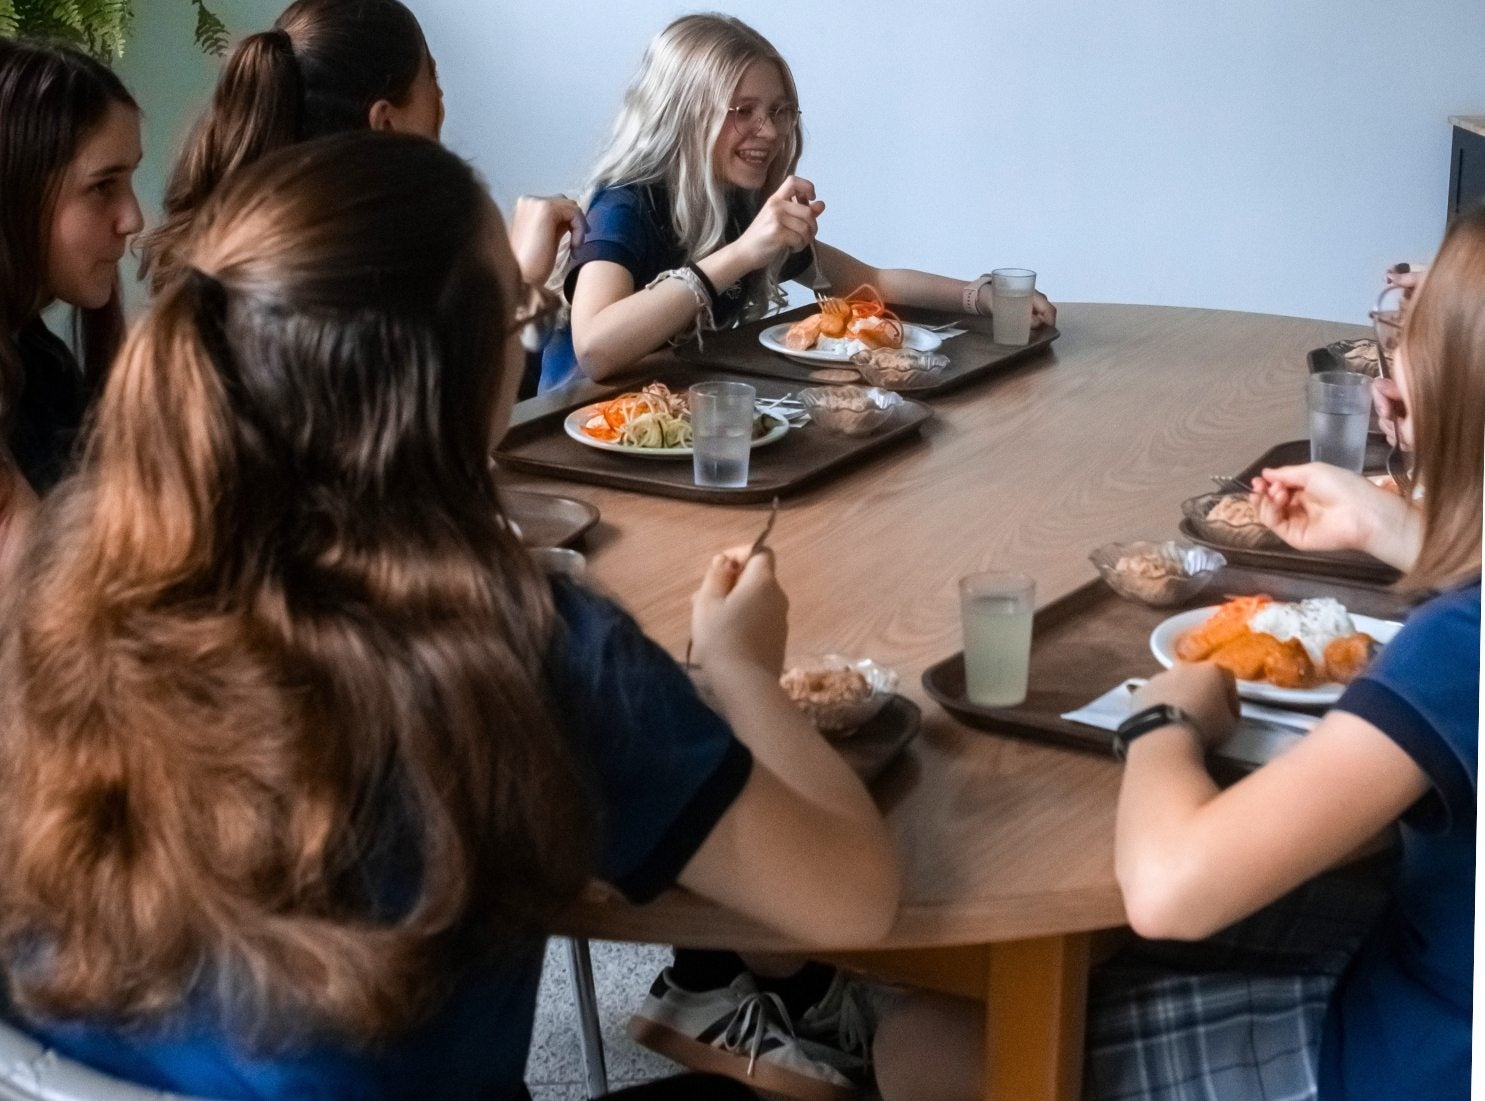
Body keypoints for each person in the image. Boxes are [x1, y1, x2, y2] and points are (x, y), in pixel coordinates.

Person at [0, 132, 899, 1101]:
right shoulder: (524, 646)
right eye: (518, 313)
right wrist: (743, 669)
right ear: (465, 373)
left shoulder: (66, 587)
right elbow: (851, 896)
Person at [873, 210, 1481, 1101]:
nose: (1385, 368)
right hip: (1440, 948)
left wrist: (1163, 717)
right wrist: (1391, 526)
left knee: (922, 1041)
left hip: (1412, 1054)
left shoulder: (1455, 651)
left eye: (1407, 341)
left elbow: (1169, 889)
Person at [540, 14, 1054, 391]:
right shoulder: (625, 204)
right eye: (744, 111)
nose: (769, 131)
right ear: (682, 115)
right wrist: (742, 254)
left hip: (683, 415)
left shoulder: (740, 205)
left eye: (780, 111)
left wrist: (981, 296)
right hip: (574, 426)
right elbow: (596, 350)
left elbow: (873, 283)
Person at [139, 0, 582, 297]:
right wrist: (519, 281)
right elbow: (442, 387)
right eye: (432, 81)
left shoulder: (256, 251)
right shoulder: (356, 281)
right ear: (385, 123)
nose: (442, 102)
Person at [0, 39, 144, 553]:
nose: (133, 219)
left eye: (130, 180)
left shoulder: (44, 366)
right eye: (103, 186)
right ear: (15, 191)